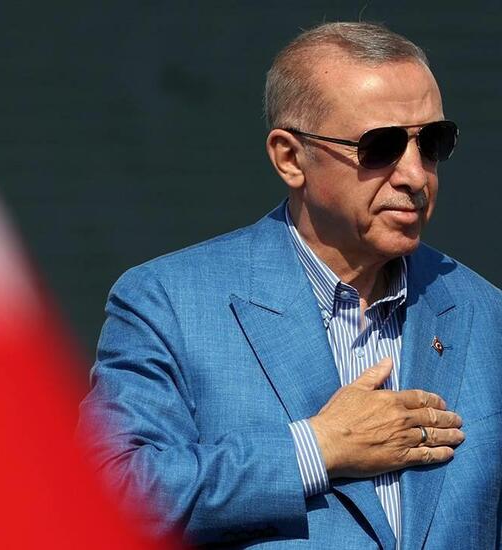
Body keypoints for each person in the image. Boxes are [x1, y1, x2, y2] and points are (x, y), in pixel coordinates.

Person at [77, 22, 502, 549]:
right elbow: (101, 495)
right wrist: (316, 449)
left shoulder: (485, 314)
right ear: (290, 158)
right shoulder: (169, 303)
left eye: (433, 142)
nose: (415, 175)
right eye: (381, 146)